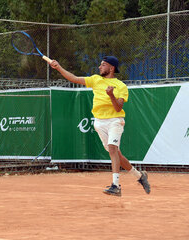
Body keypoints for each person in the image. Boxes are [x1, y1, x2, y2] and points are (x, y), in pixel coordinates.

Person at [50, 56, 151, 197]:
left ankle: (116, 186)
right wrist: (58, 67)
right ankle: (140, 176)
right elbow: (73, 78)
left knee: (112, 149)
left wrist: (111, 95)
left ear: (111, 68)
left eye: (103, 65)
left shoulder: (121, 86)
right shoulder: (95, 79)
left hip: (115, 120)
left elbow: (118, 108)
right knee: (118, 155)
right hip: (99, 122)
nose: (99, 67)